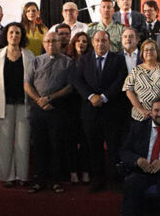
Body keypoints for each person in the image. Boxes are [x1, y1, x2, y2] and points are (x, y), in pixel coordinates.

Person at [73, 30, 128, 192]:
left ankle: (114, 178)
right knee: (93, 146)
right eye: (97, 40)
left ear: (109, 43)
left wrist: (103, 97)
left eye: (104, 40)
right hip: (90, 111)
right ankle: (98, 178)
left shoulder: (118, 59)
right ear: (93, 42)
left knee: (113, 146)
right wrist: (91, 96)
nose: (100, 43)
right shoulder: (84, 60)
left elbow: (120, 81)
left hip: (111, 110)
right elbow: (77, 80)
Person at [24, 32, 74, 194]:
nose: (51, 44)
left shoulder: (68, 62)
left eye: (54, 41)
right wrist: (39, 100)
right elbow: (27, 84)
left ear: (60, 43)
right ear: (43, 44)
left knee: (57, 145)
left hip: (58, 109)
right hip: (38, 109)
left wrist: (50, 98)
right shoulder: (35, 61)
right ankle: (40, 179)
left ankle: (56, 180)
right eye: (47, 41)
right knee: (39, 145)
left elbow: (70, 87)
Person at [0, 22, 35, 187]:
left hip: (24, 103)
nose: (14, 36)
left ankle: (22, 176)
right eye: (11, 33)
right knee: (5, 142)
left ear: (21, 35)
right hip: (4, 104)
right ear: (5, 35)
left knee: (23, 142)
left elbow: (33, 81)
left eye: (17, 33)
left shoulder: (29, 55)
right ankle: (7, 176)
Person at [124, 39, 160, 122]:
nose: (149, 51)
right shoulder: (136, 70)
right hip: (140, 116)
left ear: (157, 52)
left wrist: (159, 106)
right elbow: (128, 90)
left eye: (152, 49)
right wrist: (141, 110)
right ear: (142, 53)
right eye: (146, 50)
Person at [66, 31, 91, 185]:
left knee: (86, 139)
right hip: (70, 105)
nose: (81, 44)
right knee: (71, 140)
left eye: (84, 41)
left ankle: (86, 171)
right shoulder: (68, 61)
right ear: (73, 44)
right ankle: (73, 171)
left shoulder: (91, 61)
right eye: (78, 41)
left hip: (86, 105)